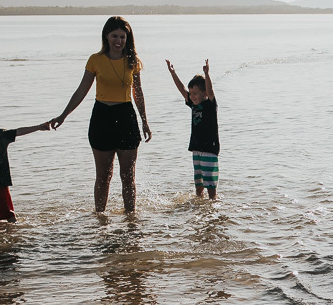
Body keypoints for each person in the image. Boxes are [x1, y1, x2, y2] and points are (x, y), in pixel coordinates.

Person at [50, 16, 152, 213]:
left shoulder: (133, 61)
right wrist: (63, 115)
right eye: (114, 36)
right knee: (104, 176)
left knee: (128, 176)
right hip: (102, 118)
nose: (118, 41)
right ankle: (100, 219)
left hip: (126, 117)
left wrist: (145, 122)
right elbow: (81, 91)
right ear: (106, 36)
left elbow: (138, 93)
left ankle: (131, 220)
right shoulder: (95, 60)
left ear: (128, 38)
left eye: (123, 37)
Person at [165, 58, 220, 199]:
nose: (192, 96)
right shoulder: (193, 104)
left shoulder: (210, 105)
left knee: (210, 183)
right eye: (191, 93)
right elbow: (182, 89)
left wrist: (207, 74)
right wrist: (173, 73)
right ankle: (199, 204)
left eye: (195, 93)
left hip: (209, 149)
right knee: (198, 181)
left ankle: (212, 203)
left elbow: (211, 90)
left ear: (204, 93)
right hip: (196, 147)